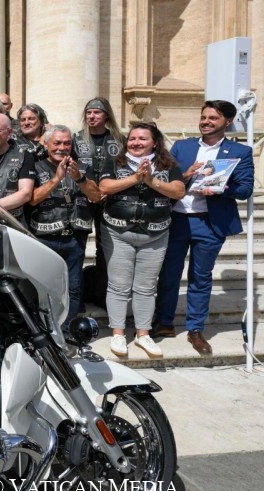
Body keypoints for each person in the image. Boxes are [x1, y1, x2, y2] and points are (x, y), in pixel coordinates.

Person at [153, 100, 254, 355]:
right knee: (168, 275)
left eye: (213, 118)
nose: (206, 122)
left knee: (201, 277)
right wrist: (185, 175)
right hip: (177, 219)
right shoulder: (182, 146)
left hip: (210, 223)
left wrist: (221, 189)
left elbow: (245, 189)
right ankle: (164, 323)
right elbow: (165, 178)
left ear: (227, 122)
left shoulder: (240, 151)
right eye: (204, 117)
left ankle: (195, 329)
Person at [98, 123, 185, 358]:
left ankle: (143, 334)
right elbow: (104, 186)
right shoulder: (116, 162)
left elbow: (178, 191)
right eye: (132, 138)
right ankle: (118, 333)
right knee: (118, 285)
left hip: (155, 234)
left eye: (142, 139)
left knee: (146, 287)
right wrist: (136, 178)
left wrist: (151, 181)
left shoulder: (168, 164)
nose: (136, 142)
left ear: (154, 143)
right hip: (118, 232)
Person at [28, 125, 102, 330]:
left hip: (74, 238)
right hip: (44, 237)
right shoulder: (35, 166)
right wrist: (57, 179)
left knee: (74, 288)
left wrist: (79, 178)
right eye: (57, 143)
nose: (62, 147)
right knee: (43, 287)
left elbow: (96, 196)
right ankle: (44, 331)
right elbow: (32, 199)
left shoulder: (81, 167)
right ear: (46, 144)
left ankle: (67, 330)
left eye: (67, 143)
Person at [74, 97, 125, 311]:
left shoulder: (119, 140)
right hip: (81, 199)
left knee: (105, 249)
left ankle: (102, 294)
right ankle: (76, 298)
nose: (92, 116)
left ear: (106, 115)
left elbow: (124, 170)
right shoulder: (76, 139)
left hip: (109, 200)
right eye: (89, 113)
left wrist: (108, 190)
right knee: (78, 247)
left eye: (96, 112)